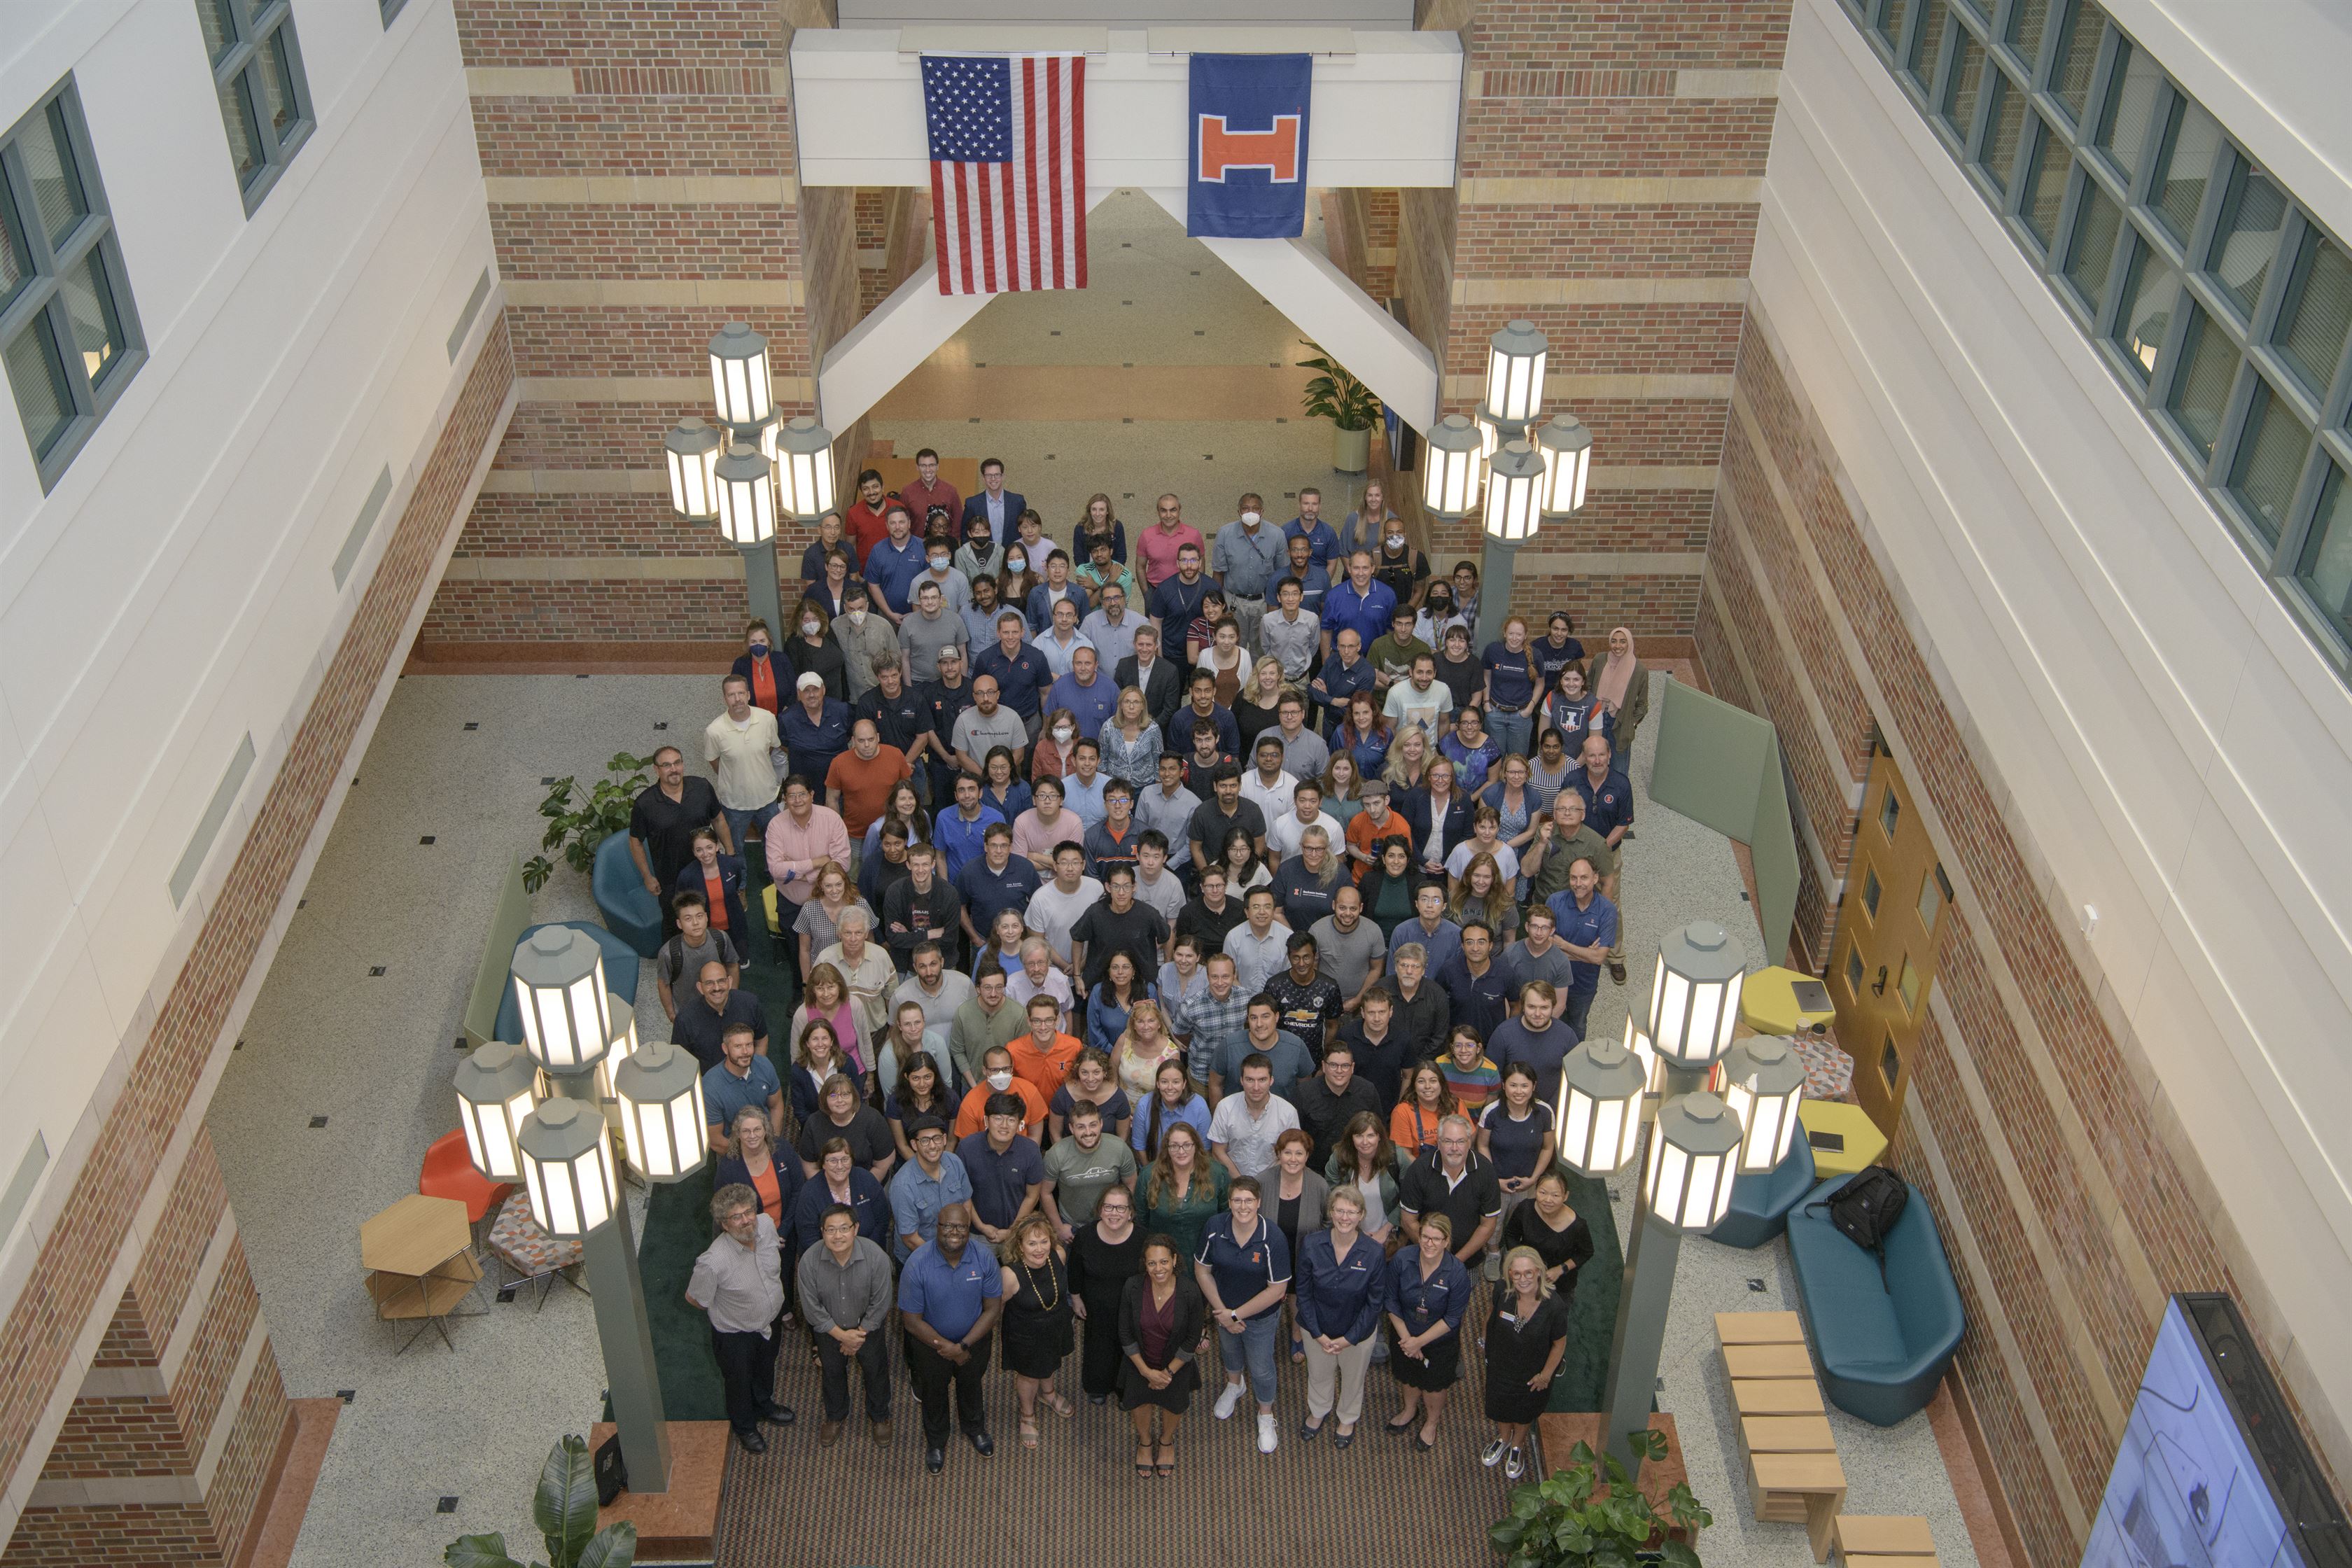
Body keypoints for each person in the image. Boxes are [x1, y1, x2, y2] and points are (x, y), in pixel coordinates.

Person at [687, 1184, 797, 1453]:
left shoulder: (767, 1225)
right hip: (735, 1335)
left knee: (765, 1368)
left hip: (770, 1321)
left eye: (748, 1211)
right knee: (738, 1383)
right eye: (736, 1217)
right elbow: (696, 1299)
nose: (746, 1220)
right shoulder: (712, 1262)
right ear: (725, 1224)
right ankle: (745, 1426)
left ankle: (765, 1406)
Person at [899, 1203, 1004, 1472]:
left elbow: (992, 1309)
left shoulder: (984, 1258)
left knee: (971, 1385)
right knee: (934, 1393)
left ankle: (974, 1428)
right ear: (937, 1228)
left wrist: (964, 1346)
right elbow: (911, 1320)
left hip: (974, 1342)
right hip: (930, 1346)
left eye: (961, 1226)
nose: (954, 1232)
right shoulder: (917, 1263)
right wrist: (946, 1347)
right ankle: (936, 1441)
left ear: (969, 1230)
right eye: (948, 1226)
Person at [1195, 1174, 1290, 1453]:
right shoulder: (1215, 1227)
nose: (1243, 1206)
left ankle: (1265, 1414)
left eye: (1249, 1200)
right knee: (1230, 1354)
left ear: (1259, 1202)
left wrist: (1236, 1315)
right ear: (1229, 1202)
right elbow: (1202, 1270)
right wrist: (1223, 1313)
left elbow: (1277, 1289)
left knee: (1261, 1367)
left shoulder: (1272, 1237)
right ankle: (1235, 1386)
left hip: (1259, 1317)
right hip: (1222, 1311)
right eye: (1237, 1200)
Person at [1296, 1184, 1387, 1446]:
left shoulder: (1374, 1252)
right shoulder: (1312, 1244)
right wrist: (1318, 1334)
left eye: (1351, 1212)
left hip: (1357, 1333)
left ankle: (1347, 1417)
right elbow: (1303, 1294)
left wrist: (1350, 1338)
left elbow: (1374, 1303)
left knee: (1353, 1378)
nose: (1344, 1217)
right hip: (1317, 1330)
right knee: (1318, 1373)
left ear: (1361, 1215)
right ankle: (1318, 1411)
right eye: (1339, 1211)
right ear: (1331, 1213)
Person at [798, 1203, 896, 1447]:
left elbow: (882, 1302)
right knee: (831, 1374)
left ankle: (880, 1416)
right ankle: (835, 1416)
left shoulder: (876, 1257)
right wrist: (842, 1336)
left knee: (876, 1372)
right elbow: (811, 1308)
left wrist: (857, 1337)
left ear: (856, 1229)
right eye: (831, 1230)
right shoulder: (809, 1261)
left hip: (868, 1330)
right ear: (822, 1232)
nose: (838, 1235)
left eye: (844, 1228)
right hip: (829, 1331)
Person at [1119, 1233, 1206, 1477]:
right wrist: (1146, 1371)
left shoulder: (1190, 1292)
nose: (1159, 1269)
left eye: (1164, 1261)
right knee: (1140, 1401)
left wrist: (1168, 1373)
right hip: (1139, 1364)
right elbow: (1125, 1333)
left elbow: (1192, 1338)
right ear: (1145, 1264)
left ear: (1175, 1259)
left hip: (1176, 1366)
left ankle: (1166, 1441)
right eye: (1152, 1263)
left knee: (1173, 1405)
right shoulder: (1132, 1287)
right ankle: (1145, 1442)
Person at [1384, 1210, 1470, 1450]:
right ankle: (1410, 1410)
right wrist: (1407, 1340)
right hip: (1404, 1335)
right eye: (1425, 1237)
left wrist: (1419, 1342)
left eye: (1436, 1239)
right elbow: (1390, 1300)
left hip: (1439, 1342)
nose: (1429, 1244)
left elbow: (1453, 1318)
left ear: (1446, 1241)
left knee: (1434, 1385)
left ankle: (1431, 1422)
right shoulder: (1403, 1259)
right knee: (1407, 1376)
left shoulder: (1456, 1273)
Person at [1482, 1245, 1570, 1479]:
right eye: (1517, 1273)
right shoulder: (1502, 1290)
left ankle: (1517, 1446)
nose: (1523, 1279)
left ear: (1539, 1272)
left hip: (1533, 1374)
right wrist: (1485, 1344)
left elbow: (1559, 1344)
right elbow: (1491, 1316)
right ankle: (1503, 1439)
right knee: (1500, 1406)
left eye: (1528, 1273)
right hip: (1500, 1366)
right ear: (1509, 1273)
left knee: (1523, 1412)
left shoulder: (1554, 1306)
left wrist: (1545, 1375)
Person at [996, 1212, 1077, 1448]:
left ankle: (1048, 1393)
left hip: (1055, 1325)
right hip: (1024, 1334)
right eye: (1032, 1243)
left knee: (1051, 1362)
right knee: (1029, 1374)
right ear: (1020, 1246)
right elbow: (998, 1306)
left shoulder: (1059, 1256)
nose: (1039, 1249)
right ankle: (1027, 1414)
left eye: (1044, 1242)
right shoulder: (1010, 1274)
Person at [629, 746, 728, 934]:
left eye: (677, 763)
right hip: (670, 880)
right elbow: (635, 841)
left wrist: (730, 853)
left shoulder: (702, 787)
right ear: (656, 770)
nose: (674, 769)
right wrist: (647, 877)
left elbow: (719, 819)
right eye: (666, 765)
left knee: (710, 918)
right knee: (674, 924)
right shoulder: (645, 804)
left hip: (706, 870)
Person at [715, 1105, 803, 1308]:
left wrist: (783, 1231)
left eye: (757, 1130)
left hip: (785, 1231)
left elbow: (799, 1189)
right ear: (737, 1134)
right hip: (750, 1237)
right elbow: (723, 1208)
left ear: (766, 1130)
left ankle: (786, 1308)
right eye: (746, 1131)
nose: (752, 1135)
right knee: (757, 1275)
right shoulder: (729, 1166)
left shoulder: (782, 1151)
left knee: (785, 1270)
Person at [1567, 735, 1634, 986]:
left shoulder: (1621, 785)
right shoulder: (1573, 780)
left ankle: (1615, 957)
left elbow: (1623, 823)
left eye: (1601, 755)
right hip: (1575, 853)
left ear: (1609, 756)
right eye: (1591, 755)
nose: (1596, 760)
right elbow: (1566, 813)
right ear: (1585, 757)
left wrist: (1601, 848)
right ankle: (1574, 949)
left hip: (1608, 855)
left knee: (1610, 906)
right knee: (1573, 900)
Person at [1069, 1184, 1144, 1406]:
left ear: (1131, 1213)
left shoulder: (1143, 1238)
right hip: (1096, 1307)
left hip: (1131, 1308)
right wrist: (1075, 1298)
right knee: (1098, 1347)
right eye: (1109, 1207)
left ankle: (1126, 1390)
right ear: (1100, 1210)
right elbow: (1075, 1269)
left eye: (1121, 1208)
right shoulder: (1085, 1235)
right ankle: (1097, 1386)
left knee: (1129, 1349)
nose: (1114, 1213)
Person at [1401, 1114, 1503, 1278]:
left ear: (1469, 1142)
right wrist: (1432, 1252)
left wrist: (1455, 1262)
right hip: (1423, 1256)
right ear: (1438, 1143)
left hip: (1467, 1261)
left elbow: (1488, 1225)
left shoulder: (1486, 1171)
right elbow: (1408, 1220)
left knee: (1460, 1302)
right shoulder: (1419, 1170)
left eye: (1461, 1141)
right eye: (1448, 1141)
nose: (1454, 1148)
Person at [1264, 1130, 1327, 1360]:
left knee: (1297, 1296)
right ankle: (1264, 1336)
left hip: (1304, 1252)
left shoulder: (1319, 1185)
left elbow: (1327, 1223)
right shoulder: (1262, 1181)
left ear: (1307, 1156)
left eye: (1299, 1153)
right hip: (1269, 1255)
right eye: (1287, 1152)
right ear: (1278, 1154)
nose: (1293, 1159)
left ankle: (1297, 1334)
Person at [706, 675, 784, 855]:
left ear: (749, 694)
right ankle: (741, 882)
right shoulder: (714, 731)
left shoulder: (768, 719)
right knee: (735, 848)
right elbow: (714, 761)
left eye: (741, 693)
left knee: (774, 846)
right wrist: (735, 775)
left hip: (768, 799)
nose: (737, 699)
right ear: (725, 698)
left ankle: (773, 877)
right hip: (734, 805)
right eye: (731, 695)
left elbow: (770, 748)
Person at [1545, 856, 1620, 1035]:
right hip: (1552, 979)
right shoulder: (1555, 902)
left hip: (1583, 985)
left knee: (1577, 1026)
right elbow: (1546, 945)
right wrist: (1587, 954)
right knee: (1548, 1023)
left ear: (1595, 878)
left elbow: (1599, 957)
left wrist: (1563, 945)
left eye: (1584, 878)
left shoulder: (1607, 911)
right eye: (1573, 878)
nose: (1578, 883)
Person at [1044, 1091, 1138, 1231]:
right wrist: (1059, 1227)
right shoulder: (1056, 1154)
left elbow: (1131, 1184)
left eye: (1093, 1125)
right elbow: (1045, 1192)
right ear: (1071, 1128)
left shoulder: (1119, 1148)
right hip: (1071, 1225)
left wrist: (1123, 1216)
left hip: (1111, 1222)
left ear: (1101, 1124)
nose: (1088, 1132)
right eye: (1081, 1127)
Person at [1138, 1122, 1229, 1261]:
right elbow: (1140, 1221)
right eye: (1174, 1146)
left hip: (1207, 1258)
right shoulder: (1148, 1176)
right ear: (1167, 1148)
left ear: (1196, 1146)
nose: (1181, 1151)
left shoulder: (1217, 1174)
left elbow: (1227, 1217)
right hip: (1162, 1263)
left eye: (1187, 1145)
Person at [1479, 1063, 1558, 1220]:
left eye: (1524, 1086)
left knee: (1522, 1223)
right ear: (1504, 1085)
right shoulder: (1491, 1112)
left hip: (1529, 1183)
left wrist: (1534, 1179)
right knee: (1493, 1227)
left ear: (1533, 1086)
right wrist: (1494, 1179)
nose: (1519, 1091)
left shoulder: (1545, 1112)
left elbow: (1548, 1148)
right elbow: (1482, 1145)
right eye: (1513, 1085)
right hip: (1497, 1183)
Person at [1488, 978, 1578, 1113]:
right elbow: (1493, 1075)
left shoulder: (1567, 1036)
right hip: (1511, 1111)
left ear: (1553, 1007)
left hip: (1554, 1111)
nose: (1537, 1014)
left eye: (1544, 1007)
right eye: (1532, 1007)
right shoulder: (1503, 1034)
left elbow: (1573, 1077)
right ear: (1523, 1006)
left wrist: (1551, 1109)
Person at [792, 1135, 891, 1256]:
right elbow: (808, 1237)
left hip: (869, 1254)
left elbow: (882, 1221)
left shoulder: (866, 1180)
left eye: (845, 1159)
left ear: (852, 1161)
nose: (840, 1166)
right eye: (833, 1161)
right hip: (826, 1259)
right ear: (823, 1164)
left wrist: (863, 1253)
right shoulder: (810, 1192)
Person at [889, 1116, 973, 1258]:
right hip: (919, 1256)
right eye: (925, 1141)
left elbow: (966, 1202)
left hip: (956, 1249)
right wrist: (942, 1258)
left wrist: (960, 1240)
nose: (933, 1145)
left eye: (937, 1138)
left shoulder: (954, 1162)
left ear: (945, 1139)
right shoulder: (902, 1185)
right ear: (914, 1145)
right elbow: (910, 1238)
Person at [1208, 1052, 1303, 1177]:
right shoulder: (1225, 1107)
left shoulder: (1288, 1112)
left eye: (1262, 1080)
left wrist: (1264, 1184)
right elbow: (1218, 1152)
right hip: (1233, 1182)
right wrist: (1242, 1184)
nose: (1256, 1087)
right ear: (1242, 1080)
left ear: (1271, 1080)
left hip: (1273, 1183)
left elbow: (1291, 1154)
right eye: (1250, 1080)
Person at [1293, 1040, 1384, 1170]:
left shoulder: (1367, 1091)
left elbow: (1379, 1132)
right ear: (1324, 1066)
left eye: (1345, 1066)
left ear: (1352, 1067)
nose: (1339, 1071)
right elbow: (1294, 1136)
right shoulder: (1304, 1094)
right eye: (1334, 1065)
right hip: (1314, 1170)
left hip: (1358, 1169)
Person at [654, 890, 739, 1023]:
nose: (695, 922)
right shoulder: (669, 953)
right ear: (679, 924)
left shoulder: (721, 938)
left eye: (699, 916)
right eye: (688, 919)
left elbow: (732, 964)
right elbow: (663, 984)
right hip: (688, 1011)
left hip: (719, 1006)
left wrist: (733, 995)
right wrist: (671, 1014)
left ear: (706, 917)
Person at [671, 960, 769, 1073]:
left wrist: (754, 1072)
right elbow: (680, 1062)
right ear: (700, 987)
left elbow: (761, 1041)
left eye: (721, 981)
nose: (717, 988)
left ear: (730, 982)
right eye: (709, 983)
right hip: (708, 1084)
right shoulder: (685, 1020)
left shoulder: (750, 1004)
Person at [797, 1072, 895, 1182]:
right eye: (833, 1095)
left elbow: (884, 1163)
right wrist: (827, 1191)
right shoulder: (813, 1123)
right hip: (827, 1187)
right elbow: (810, 1166)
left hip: (869, 1184)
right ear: (825, 1098)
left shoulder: (873, 1119)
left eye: (845, 1094)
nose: (840, 1100)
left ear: (854, 1096)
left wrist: (863, 1190)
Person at [1325, 1114, 1403, 1249]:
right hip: (1347, 1234)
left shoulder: (1396, 1157)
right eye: (1359, 1136)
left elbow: (1410, 1197)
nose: (1365, 1142)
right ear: (1351, 1138)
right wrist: (1356, 1232)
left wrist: (1386, 1230)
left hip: (1387, 1238)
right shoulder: (1339, 1159)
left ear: (1379, 1137)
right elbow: (1330, 1198)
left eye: (1371, 1136)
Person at [704, 1023, 785, 1152]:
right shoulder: (711, 1087)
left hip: (767, 1143)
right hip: (733, 1149)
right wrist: (752, 1153)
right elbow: (716, 1140)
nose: (745, 1052)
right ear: (725, 1049)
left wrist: (772, 1141)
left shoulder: (765, 1065)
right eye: (738, 1046)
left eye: (749, 1045)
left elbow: (776, 1106)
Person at [1264, 931, 1343, 1056]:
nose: (1301, 964)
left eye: (1306, 957)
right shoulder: (1274, 986)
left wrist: (1326, 1059)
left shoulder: (1329, 987)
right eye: (1296, 957)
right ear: (1289, 957)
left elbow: (1332, 1026)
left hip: (1314, 1058)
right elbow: (1266, 1023)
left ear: (1314, 956)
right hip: (1280, 1055)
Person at [1436, 920, 1515, 1042]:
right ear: (1463, 946)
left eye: (1481, 942)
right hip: (1457, 1046)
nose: (1475, 948)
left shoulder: (1505, 973)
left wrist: (1507, 1035)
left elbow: (1516, 1005)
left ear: (1490, 945)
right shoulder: (1448, 970)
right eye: (1469, 942)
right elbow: (1437, 1004)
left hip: (1492, 1045)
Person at [1338, 986, 1412, 1112]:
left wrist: (1400, 1108)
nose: (1377, 1019)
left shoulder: (1403, 1038)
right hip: (1352, 1110)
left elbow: (1408, 1076)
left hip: (1389, 1112)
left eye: (1382, 1012)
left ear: (1391, 1012)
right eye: (1371, 1012)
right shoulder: (1346, 1036)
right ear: (1362, 1013)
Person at [1586, 625, 1648, 772]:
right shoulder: (1600, 660)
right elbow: (1588, 686)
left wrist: (1631, 723)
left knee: (1618, 769)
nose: (1617, 646)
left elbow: (1642, 704)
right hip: (1596, 717)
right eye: (1614, 641)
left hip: (1619, 724)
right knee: (1593, 762)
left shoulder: (1639, 670)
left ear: (1629, 643)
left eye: (1622, 641)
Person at [954, 1044, 1049, 1141]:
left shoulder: (1029, 1091)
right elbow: (969, 1145)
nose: (1001, 1074)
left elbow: (1035, 1136)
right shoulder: (970, 1103)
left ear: (1012, 1069)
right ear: (984, 1071)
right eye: (994, 1070)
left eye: (1006, 1069)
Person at [886, 1049, 958, 1163]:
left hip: (943, 1159)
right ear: (906, 1077)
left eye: (928, 1077)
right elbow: (902, 1145)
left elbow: (951, 1141)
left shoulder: (950, 1098)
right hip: (910, 1161)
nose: (922, 1084)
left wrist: (942, 1165)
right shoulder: (895, 1101)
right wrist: (924, 1168)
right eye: (916, 1078)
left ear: (935, 1076)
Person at [1390, 1058, 1460, 1162]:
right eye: (1421, 1081)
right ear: (1414, 1085)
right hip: (1418, 1172)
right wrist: (1427, 1175)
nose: (1428, 1086)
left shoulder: (1456, 1104)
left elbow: (1467, 1143)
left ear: (1441, 1084)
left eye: (1433, 1081)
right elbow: (1404, 1155)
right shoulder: (1402, 1112)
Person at [1014, 780, 1088, 876]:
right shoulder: (1021, 822)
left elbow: (1074, 864)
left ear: (1061, 800)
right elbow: (1019, 864)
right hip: (1031, 882)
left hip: (1066, 882)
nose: (1047, 801)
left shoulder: (1074, 822)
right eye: (1042, 796)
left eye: (1053, 796)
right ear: (1034, 800)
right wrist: (1060, 863)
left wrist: (1035, 856)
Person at [1114, 624, 1182, 729]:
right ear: (1134, 644)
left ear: (1156, 646)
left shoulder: (1170, 671)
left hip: (1157, 730)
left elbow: (1170, 709)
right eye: (1141, 644)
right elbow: (1118, 699)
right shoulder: (1123, 666)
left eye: (1149, 645)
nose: (1144, 649)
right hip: (1126, 729)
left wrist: (1150, 729)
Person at [1096, 687, 1163, 793]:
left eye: (1136, 702)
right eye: (1127, 702)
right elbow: (1102, 759)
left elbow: (1158, 760)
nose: (1131, 707)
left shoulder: (1153, 729)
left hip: (1145, 788)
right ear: (1121, 705)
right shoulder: (1108, 727)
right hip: (1115, 787)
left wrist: (1158, 786)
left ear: (1143, 706)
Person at [1083, 951, 1149, 1058]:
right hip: (1106, 1057)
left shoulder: (1148, 991)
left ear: (1134, 971)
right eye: (1115, 967)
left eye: (1126, 967)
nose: (1120, 972)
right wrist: (1116, 1054)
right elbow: (1094, 1031)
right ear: (1109, 971)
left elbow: (1155, 1027)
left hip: (1142, 1057)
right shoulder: (1098, 992)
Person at [733, 618, 796, 720]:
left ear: (769, 642)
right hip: (753, 721)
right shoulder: (740, 664)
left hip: (784, 718)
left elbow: (794, 688)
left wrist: (786, 712)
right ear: (748, 643)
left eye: (762, 641)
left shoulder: (781, 659)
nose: (758, 645)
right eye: (753, 641)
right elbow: (735, 693)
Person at [1438, 1023, 1502, 1119]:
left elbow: (1488, 1112)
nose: (1463, 1050)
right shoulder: (1440, 1065)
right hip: (1443, 1125)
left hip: (1476, 1126)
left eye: (1470, 1045)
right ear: (1452, 1048)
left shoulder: (1491, 1072)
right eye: (1458, 1045)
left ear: (1478, 1048)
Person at [960, 456, 1024, 543]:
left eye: (997, 475)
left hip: (1011, 555)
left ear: (1003, 476)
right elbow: (965, 536)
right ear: (983, 478)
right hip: (982, 556)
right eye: (989, 475)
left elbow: (1024, 530)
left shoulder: (1017, 502)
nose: (993, 479)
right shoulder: (972, 504)